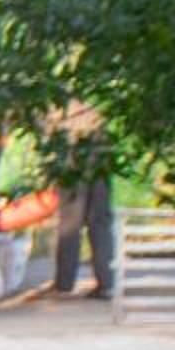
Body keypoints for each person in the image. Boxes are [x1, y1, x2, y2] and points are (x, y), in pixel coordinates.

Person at [42, 101, 118, 301]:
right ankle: (106, 283)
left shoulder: (57, 100)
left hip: (71, 166)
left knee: (70, 225)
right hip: (100, 163)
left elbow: (50, 138)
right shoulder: (98, 93)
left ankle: (64, 283)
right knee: (100, 224)